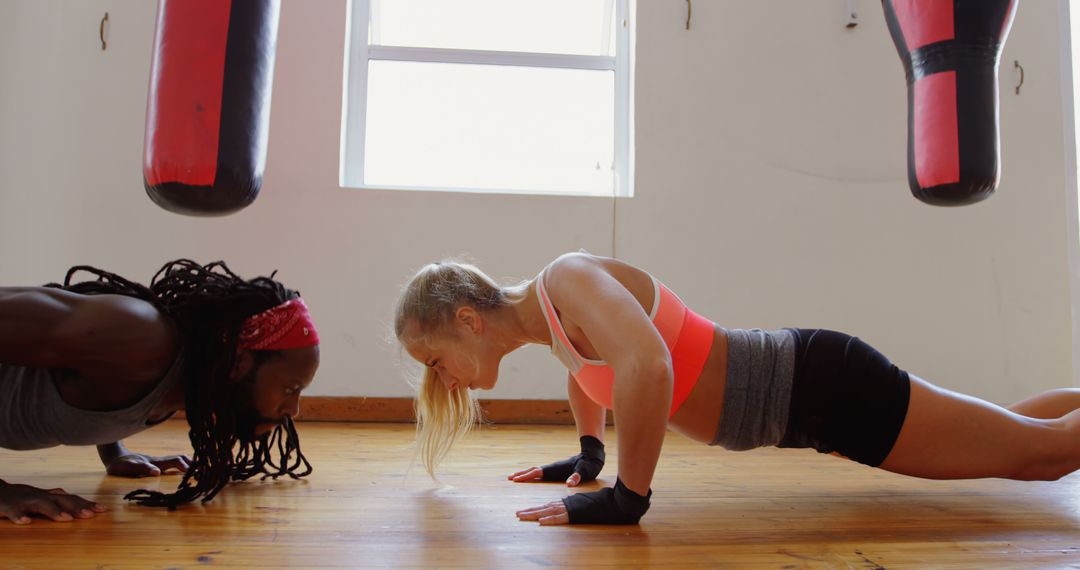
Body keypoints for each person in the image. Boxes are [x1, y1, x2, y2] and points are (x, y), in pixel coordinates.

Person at [394, 251, 1080, 525]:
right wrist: (589, 454)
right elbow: (593, 374)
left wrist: (628, 500)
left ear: (465, 321)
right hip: (808, 404)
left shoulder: (566, 278)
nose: (440, 379)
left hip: (821, 386)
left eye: (433, 359)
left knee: (1040, 458)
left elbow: (650, 365)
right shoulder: (550, 321)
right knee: (1012, 433)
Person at [0, 260, 320, 524]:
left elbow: (99, 371)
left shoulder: (183, 378)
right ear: (240, 362)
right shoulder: (141, 335)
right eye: (291, 388)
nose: (294, 409)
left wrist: (115, 453)